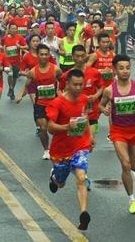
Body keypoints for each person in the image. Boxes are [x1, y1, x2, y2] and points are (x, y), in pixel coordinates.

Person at [99, 54, 135, 214]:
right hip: (118, 131)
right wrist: (105, 110)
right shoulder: (109, 91)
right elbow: (101, 105)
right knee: (126, 165)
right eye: (121, 68)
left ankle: (130, 181)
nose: (125, 71)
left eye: (128, 68)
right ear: (115, 70)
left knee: (134, 166)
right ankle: (132, 200)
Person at [46, 69, 93, 231]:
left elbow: (85, 118)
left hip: (80, 145)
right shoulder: (57, 103)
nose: (79, 88)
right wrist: (67, 126)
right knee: (60, 183)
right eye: (75, 85)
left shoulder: (85, 99)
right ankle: (54, 177)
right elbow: (50, 128)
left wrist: (91, 137)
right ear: (67, 84)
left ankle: (83, 213)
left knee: (81, 177)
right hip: (60, 150)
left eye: (81, 84)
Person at [22, 44, 62, 159]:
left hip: (54, 104)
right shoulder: (33, 72)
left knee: (54, 130)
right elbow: (27, 84)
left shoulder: (56, 69)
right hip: (40, 104)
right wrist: (20, 96)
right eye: (42, 54)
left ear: (49, 55)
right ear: (38, 56)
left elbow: (62, 81)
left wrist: (62, 94)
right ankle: (46, 150)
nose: (44, 57)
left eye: (46, 54)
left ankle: (57, 147)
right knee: (43, 128)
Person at [59, 45, 104, 140]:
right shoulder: (66, 75)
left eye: (82, 56)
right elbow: (59, 90)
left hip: (91, 111)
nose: (80, 59)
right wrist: (63, 101)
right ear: (72, 56)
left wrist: (96, 96)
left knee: (90, 140)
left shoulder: (94, 72)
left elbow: (101, 87)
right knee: (75, 140)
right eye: (77, 56)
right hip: (74, 112)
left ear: (86, 56)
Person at [1, 22, 28, 100]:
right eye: (12, 28)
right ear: (9, 29)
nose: (14, 30)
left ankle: (11, 89)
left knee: (15, 77)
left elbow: (26, 46)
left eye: (15, 28)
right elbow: (1, 45)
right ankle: (10, 87)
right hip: (7, 60)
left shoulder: (20, 37)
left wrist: (20, 47)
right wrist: (2, 50)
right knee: (10, 74)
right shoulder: (5, 38)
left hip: (16, 61)